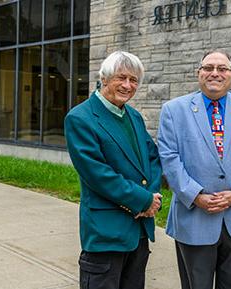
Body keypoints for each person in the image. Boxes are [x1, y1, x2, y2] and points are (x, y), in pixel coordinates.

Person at [157, 50, 231, 289]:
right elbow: (169, 159)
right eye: (208, 68)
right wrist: (196, 196)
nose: (215, 73)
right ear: (199, 73)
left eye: (222, 68)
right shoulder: (174, 110)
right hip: (194, 218)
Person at [64, 51, 162, 289]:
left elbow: (152, 159)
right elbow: (97, 174)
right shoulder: (80, 118)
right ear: (104, 78)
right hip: (106, 232)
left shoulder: (134, 116)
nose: (128, 85)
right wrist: (141, 200)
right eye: (121, 78)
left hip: (138, 231)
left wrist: (152, 199)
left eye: (134, 80)